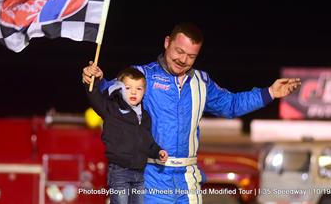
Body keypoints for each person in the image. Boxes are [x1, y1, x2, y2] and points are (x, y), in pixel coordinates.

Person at [82, 23, 301, 204]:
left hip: (188, 180)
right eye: (179, 51)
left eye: (191, 56)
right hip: (149, 178)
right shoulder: (141, 76)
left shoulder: (201, 82)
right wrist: (96, 79)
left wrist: (271, 92)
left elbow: (232, 105)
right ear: (167, 43)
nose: (183, 60)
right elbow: (109, 96)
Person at [84, 66, 168, 204]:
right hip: (119, 172)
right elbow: (94, 97)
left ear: (144, 92)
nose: (133, 92)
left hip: (139, 174)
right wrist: (92, 81)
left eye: (139, 89)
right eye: (128, 88)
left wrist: (158, 151)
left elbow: (148, 142)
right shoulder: (111, 109)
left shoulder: (145, 117)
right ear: (119, 88)